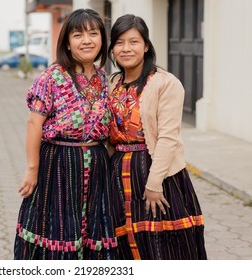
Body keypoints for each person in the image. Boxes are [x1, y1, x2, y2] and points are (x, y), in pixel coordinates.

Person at [14, 8, 119, 260]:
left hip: (97, 168)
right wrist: (32, 168)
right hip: (58, 166)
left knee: (95, 227)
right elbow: (33, 124)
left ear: (102, 40)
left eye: (93, 33)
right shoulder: (52, 77)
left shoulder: (104, 79)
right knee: (57, 229)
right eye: (78, 35)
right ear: (67, 43)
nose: (87, 40)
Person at [107, 14, 207, 260]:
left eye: (134, 41)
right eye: (119, 42)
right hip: (119, 171)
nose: (126, 48)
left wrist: (153, 184)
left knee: (162, 244)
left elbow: (168, 138)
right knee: (126, 240)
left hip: (156, 172)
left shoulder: (165, 83)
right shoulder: (113, 83)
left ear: (146, 46)